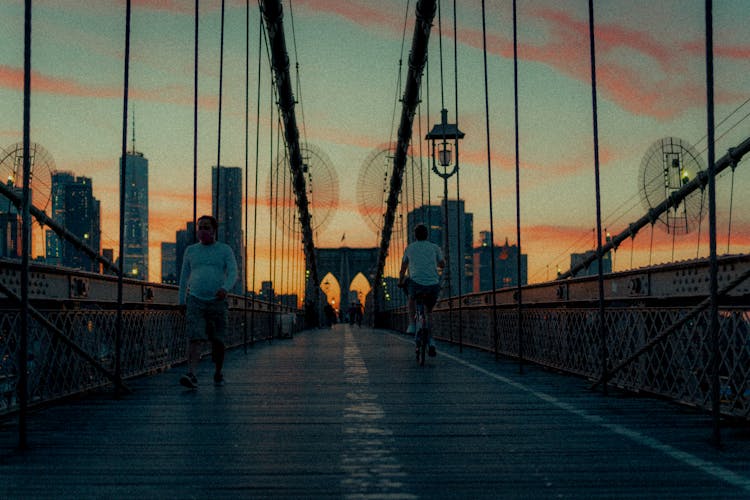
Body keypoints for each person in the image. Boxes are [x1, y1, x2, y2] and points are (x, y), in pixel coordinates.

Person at [178, 215, 238, 389]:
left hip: (217, 301)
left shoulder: (225, 250)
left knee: (218, 340)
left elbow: (233, 272)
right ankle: (192, 374)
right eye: (200, 228)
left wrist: (225, 288)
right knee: (194, 337)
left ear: (214, 230)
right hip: (195, 299)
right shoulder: (190, 250)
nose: (202, 231)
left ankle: (218, 372)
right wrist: (182, 300)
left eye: (206, 228)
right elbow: (183, 278)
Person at [398, 223, 445, 357]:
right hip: (433, 285)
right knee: (429, 313)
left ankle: (412, 324)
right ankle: (432, 342)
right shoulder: (435, 247)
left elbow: (403, 268)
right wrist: (440, 264)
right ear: (427, 235)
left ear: (415, 236)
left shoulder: (410, 248)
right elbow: (442, 264)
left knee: (411, 297)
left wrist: (400, 281)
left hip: (416, 284)